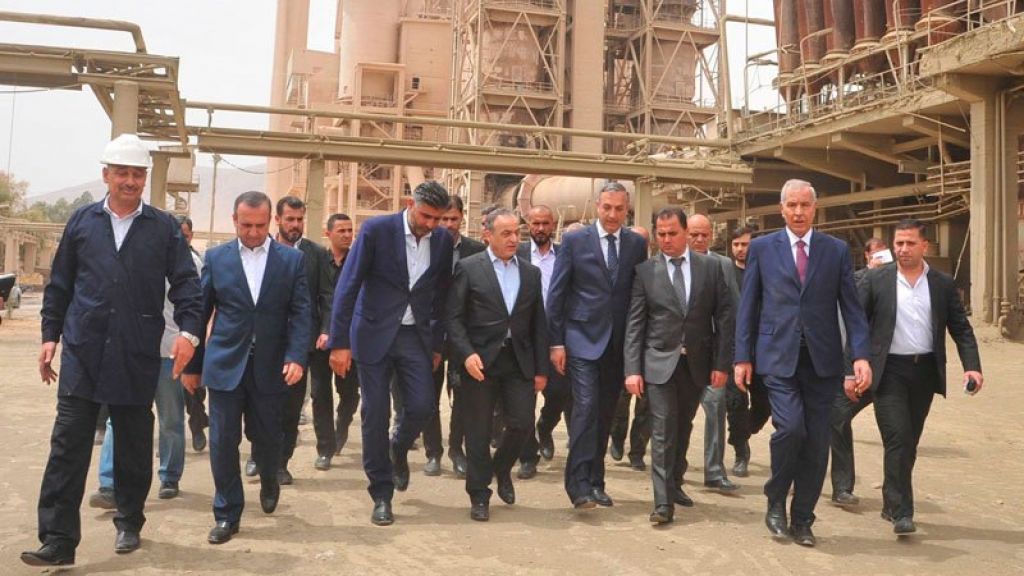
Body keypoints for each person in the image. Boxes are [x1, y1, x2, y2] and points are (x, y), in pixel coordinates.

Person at [23, 134, 203, 566]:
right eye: (122, 172)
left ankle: (129, 522)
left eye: (137, 174)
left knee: (133, 447)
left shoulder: (163, 228)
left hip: (135, 353)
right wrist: (50, 336)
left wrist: (189, 334)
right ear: (106, 174)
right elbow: (60, 285)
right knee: (67, 447)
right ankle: (58, 541)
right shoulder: (82, 222)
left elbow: (187, 286)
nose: (130, 181)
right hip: (83, 353)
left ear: (145, 178)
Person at [734, 179, 871, 547]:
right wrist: (742, 356)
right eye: (792, 205)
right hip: (777, 358)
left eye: (804, 205)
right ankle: (775, 501)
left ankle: (803, 519)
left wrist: (860, 356)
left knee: (816, 441)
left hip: (822, 361)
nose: (798, 212)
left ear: (815, 209)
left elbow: (852, 309)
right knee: (791, 429)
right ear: (782, 209)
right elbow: (748, 306)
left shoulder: (835, 251)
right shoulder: (762, 248)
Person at [182, 191, 311, 545]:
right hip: (225, 364)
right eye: (245, 225)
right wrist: (193, 365)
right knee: (223, 441)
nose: (253, 232)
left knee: (268, 437)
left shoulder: (291, 261)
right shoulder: (216, 258)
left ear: (271, 221)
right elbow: (200, 313)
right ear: (234, 221)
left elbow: (301, 312)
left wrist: (296, 357)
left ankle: (269, 478)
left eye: (259, 225)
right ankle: (227, 513)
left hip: (271, 366)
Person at [328, 181, 453, 526]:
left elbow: (441, 294)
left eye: (437, 219)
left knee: (422, 406)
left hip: (414, 336)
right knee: (376, 412)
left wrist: (437, 344)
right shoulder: (377, 230)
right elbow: (348, 284)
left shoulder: (442, 240)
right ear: (410, 204)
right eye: (426, 216)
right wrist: (339, 342)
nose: (431, 224)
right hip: (372, 333)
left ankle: (397, 447)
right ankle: (381, 493)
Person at [853, 219, 982, 535]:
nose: (903, 249)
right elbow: (857, 325)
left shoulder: (941, 283)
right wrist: (856, 363)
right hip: (888, 371)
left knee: (909, 441)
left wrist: (972, 366)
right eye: (898, 243)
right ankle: (902, 512)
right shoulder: (877, 280)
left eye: (910, 243)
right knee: (898, 437)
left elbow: (961, 328)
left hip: (924, 371)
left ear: (925, 245)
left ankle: (890, 501)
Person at [624, 207, 734, 523]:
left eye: (672, 233)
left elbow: (724, 318)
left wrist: (721, 364)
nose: (666, 239)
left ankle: (675, 483)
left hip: (696, 364)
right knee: (662, 429)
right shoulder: (646, 272)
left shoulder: (710, 268)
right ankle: (662, 503)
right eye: (661, 234)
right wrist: (632, 369)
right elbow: (635, 324)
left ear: (685, 232)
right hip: (658, 363)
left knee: (683, 426)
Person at [547, 181, 648, 509]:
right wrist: (556, 342)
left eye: (619, 209)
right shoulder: (575, 240)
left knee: (605, 413)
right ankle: (577, 485)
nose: (612, 215)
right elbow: (557, 293)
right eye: (607, 208)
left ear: (627, 209)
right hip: (581, 339)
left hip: (617, 344)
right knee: (586, 407)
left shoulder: (636, 244)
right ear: (596, 206)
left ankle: (596, 481)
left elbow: (637, 295)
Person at [446, 208, 548, 521]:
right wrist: (466, 354)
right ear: (487, 235)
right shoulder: (469, 268)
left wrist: (541, 369)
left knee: (522, 423)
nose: (514, 239)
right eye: (506, 233)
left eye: (517, 232)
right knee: (477, 432)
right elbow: (453, 318)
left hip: (518, 361)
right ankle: (479, 494)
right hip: (480, 362)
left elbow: (539, 324)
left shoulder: (530, 273)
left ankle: (501, 468)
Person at [90, 235, 204, 506]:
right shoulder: (130, 257)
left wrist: (191, 348)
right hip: (132, 353)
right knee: (117, 419)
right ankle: (109, 484)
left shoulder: (190, 264)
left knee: (170, 420)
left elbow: (197, 309)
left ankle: (170, 476)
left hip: (169, 354)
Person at [422, 195, 485, 477]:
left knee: (463, 395)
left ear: (462, 218)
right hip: (431, 331)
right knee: (428, 395)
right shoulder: (425, 246)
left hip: (464, 334)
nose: (448, 224)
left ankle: (457, 450)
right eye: (444, 219)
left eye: (453, 219)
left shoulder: (476, 251)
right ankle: (433, 452)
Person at [268, 195, 330, 482]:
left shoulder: (316, 254)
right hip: (265, 342)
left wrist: (326, 329)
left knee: (291, 408)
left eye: (299, 219)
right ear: (277, 220)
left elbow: (327, 295)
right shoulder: (263, 250)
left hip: (300, 344)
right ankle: (260, 455)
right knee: (262, 404)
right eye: (290, 219)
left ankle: (281, 462)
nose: (295, 225)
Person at [829, 237, 890, 506]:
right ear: (866, 256)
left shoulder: (902, 282)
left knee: (897, 434)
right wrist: (849, 372)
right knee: (838, 417)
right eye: (876, 254)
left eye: (885, 254)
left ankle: (897, 501)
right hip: (859, 368)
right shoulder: (856, 282)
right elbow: (852, 329)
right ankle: (842, 487)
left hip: (892, 371)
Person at [683, 213, 740, 493]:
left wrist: (730, 356)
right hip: (680, 357)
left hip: (712, 356)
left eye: (704, 235)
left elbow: (731, 312)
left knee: (716, 410)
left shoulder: (723, 265)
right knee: (680, 416)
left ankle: (715, 471)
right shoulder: (671, 264)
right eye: (694, 234)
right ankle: (675, 467)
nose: (699, 239)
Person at [516, 205, 570, 478]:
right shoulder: (517, 253)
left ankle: (545, 427)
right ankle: (528, 456)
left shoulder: (564, 255)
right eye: (535, 223)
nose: (540, 228)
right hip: (524, 340)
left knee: (560, 393)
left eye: (545, 223)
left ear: (552, 224)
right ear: (528, 224)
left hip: (555, 338)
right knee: (524, 401)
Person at [310, 212, 360, 467]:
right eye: (341, 230)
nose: (347, 235)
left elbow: (358, 303)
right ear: (328, 233)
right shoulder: (317, 262)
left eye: (350, 230)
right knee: (320, 395)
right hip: (319, 342)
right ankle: (325, 448)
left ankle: (342, 425)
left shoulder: (358, 262)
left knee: (349, 394)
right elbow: (317, 300)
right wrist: (323, 329)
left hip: (349, 342)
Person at [723, 224, 770, 477]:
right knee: (735, 403)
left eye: (745, 244)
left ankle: (744, 431)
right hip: (733, 350)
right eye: (736, 244)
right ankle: (741, 452)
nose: (740, 249)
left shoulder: (767, 274)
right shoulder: (725, 274)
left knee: (765, 403)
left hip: (762, 350)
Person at [176, 215, 210, 453]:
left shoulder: (196, 264)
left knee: (193, 388)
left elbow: (202, 303)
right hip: (164, 336)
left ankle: (197, 427)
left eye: (185, 236)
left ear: (191, 237)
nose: (181, 240)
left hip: (191, 334)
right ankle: (170, 439)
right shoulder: (158, 259)